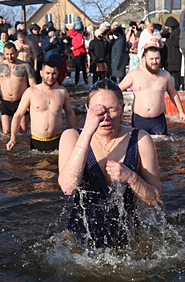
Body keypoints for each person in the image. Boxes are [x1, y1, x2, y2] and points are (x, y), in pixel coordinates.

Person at [58, 79, 162, 248]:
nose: (105, 117)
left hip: (127, 241)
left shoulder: (140, 139)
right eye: (99, 111)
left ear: (122, 110)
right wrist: (87, 132)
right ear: (87, 110)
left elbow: (154, 200)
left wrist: (131, 177)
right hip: (80, 240)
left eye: (112, 110)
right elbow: (68, 187)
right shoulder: (72, 137)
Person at [6, 61, 77, 151]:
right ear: (41, 73)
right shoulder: (31, 92)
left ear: (58, 74)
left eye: (53, 73)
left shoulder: (62, 92)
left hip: (57, 140)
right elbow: (18, 115)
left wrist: (75, 134)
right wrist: (12, 138)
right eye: (47, 73)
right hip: (37, 141)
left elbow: (70, 114)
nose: (50, 77)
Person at [119, 46, 185, 137]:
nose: (154, 61)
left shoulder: (165, 75)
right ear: (144, 59)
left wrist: (181, 111)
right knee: (140, 146)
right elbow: (118, 90)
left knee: (161, 146)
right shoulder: (134, 74)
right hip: (139, 119)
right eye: (151, 59)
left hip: (158, 120)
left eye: (157, 58)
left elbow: (173, 93)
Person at [0, 42, 36, 134]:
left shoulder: (25, 66)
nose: (9, 56)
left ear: (16, 53)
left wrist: (32, 104)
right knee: (6, 132)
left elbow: (33, 86)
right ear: (4, 53)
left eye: (12, 54)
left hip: (22, 102)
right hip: (6, 103)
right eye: (7, 54)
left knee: (24, 132)